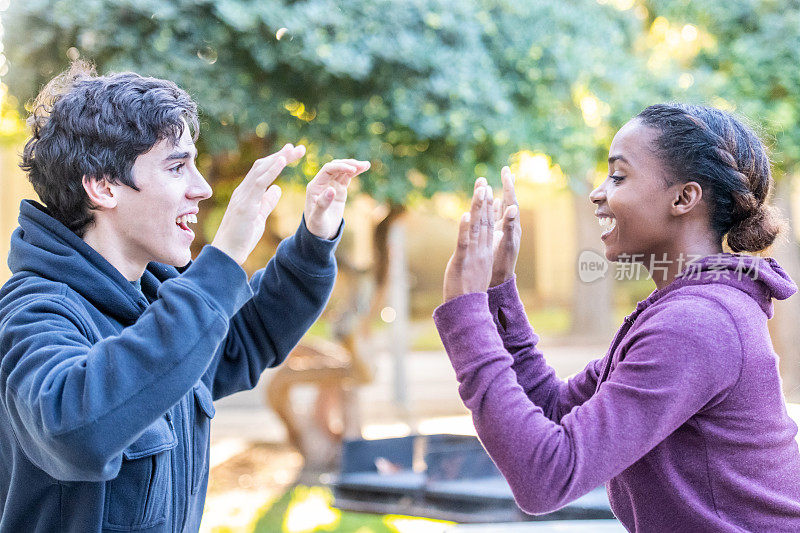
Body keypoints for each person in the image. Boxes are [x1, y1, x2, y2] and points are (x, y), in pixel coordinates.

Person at [0, 61, 369, 531]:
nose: (203, 188)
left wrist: (315, 239)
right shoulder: (32, 312)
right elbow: (77, 428)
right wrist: (226, 256)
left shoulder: (159, 297)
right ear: (103, 186)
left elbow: (242, 341)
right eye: (177, 167)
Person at [434, 103, 800, 531]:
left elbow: (546, 476)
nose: (598, 192)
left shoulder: (699, 324)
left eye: (619, 176)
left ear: (684, 198)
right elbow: (552, 409)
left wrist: (467, 314)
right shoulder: (686, 311)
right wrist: (497, 290)